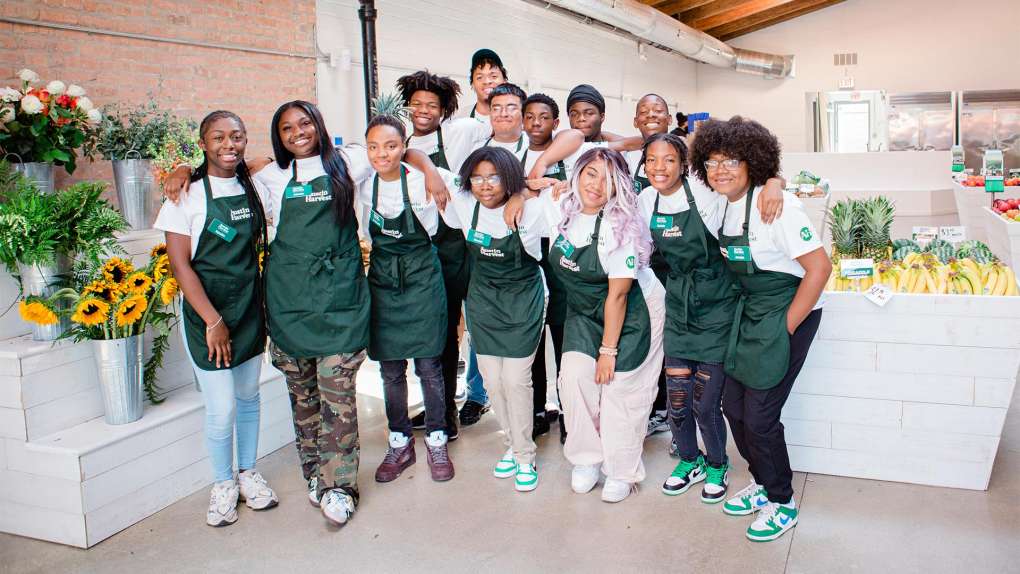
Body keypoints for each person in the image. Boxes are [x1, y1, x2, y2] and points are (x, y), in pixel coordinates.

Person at [161, 103, 448, 528]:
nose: (298, 133)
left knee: (338, 398)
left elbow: (394, 149)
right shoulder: (268, 176)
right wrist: (182, 168)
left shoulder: (348, 162)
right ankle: (314, 475)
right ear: (278, 135)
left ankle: (340, 487)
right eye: (287, 128)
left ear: (319, 124)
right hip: (290, 301)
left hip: (340, 302)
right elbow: (222, 168)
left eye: (305, 123)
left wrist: (431, 169)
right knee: (304, 399)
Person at [691, 116, 830, 542]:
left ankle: (782, 500)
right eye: (713, 161)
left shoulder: (778, 206)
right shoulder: (721, 203)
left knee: (761, 416)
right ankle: (762, 483)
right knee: (733, 407)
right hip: (749, 313)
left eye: (732, 160)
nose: (721, 169)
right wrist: (776, 179)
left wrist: (784, 329)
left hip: (789, 313)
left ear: (753, 162)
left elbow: (820, 268)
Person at [636, 133, 783, 503]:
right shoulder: (645, 200)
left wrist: (775, 182)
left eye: (668, 160)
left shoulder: (704, 193)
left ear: (683, 163)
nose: (659, 168)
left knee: (705, 400)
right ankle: (690, 459)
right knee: (679, 399)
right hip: (679, 306)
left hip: (717, 304)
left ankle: (717, 463)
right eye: (651, 160)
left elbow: (746, 183)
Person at [156, 110, 278, 527]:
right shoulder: (184, 195)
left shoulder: (254, 185)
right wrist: (212, 320)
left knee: (248, 398)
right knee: (221, 407)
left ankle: (248, 473)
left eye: (237, 136)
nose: (229, 144)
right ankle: (222, 482)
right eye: (219, 137)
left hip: (247, 307)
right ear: (203, 142)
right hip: (207, 313)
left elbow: (268, 162)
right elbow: (180, 266)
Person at [540, 147, 665, 503]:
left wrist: (608, 351)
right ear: (577, 174)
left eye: (608, 179)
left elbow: (619, 297)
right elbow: (520, 189)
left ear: (618, 187)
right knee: (575, 377)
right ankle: (586, 459)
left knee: (621, 390)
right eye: (590, 173)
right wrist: (522, 194)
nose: (596, 185)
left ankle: (622, 470)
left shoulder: (619, 226)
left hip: (634, 310)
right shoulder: (560, 207)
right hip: (584, 310)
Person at [442, 147, 547, 491]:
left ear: (510, 179)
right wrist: (429, 173)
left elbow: (566, 190)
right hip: (483, 301)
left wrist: (526, 191)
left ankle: (525, 455)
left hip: (523, 299)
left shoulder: (531, 212)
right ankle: (512, 445)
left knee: (516, 380)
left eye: (495, 177)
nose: (485, 185)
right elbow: (418, 159)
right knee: (492, 381)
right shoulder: (463, 204)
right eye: (478, 177)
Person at [360, 114, 455, 484]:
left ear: (404, 146)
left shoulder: (424, 183)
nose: (381, 154)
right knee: (389, 369)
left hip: (422, 278)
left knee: (429, 367)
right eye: (373, 146)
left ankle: (436, 438)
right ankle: (399, 442)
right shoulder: (361, 184)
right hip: (383, 280)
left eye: (390, 145)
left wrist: (429, 168)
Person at [396, 70, 491, 436]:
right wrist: (428, 169)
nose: (423, 110)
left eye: (431, 105)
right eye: (417, 104)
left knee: (475, 326)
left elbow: (497, 131)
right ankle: (442, 409)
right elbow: (403, 155)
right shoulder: (399, 141)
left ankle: (476, 397)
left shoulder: (458, 132)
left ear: (444, 108)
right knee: (437, 332)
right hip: (420, 249)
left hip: (458, 247)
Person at [465, 48, 508, 125]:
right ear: (472, 84)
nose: (487, 81)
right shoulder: (460, 118)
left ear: (504, 81)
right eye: (480, 77)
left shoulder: (519, 118)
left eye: (494, 76)